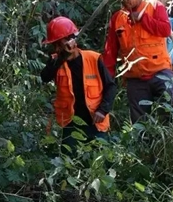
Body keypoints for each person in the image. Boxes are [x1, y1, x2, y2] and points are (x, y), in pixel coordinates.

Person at [103, 0, 173, 124]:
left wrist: (142, 18)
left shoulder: (154, 6)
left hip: (160, 72)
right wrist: (107, 78)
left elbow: (165, 30)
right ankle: (143, 147)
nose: (126, 1)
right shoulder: (118, 19)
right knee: (140, 123)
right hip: (135, 79)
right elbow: (110, 52)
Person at [40, 16, 117, 155]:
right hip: (70, 124)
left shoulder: (93, 58)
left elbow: (111, 86)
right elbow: (45, 77)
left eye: (60, 42)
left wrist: (102, 110)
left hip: (96, 122)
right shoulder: (56, 63)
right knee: (68, 163)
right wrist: (60, 58)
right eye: (56, 44)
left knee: (98, 165)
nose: (57, 47)